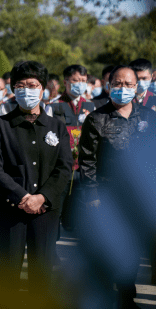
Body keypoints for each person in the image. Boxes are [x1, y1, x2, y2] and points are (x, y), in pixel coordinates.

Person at [0, 60, 73, 297]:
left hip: (45, 212)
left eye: (32, 85)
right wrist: (23, 196)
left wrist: (42, 197)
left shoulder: (57, 126)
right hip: (9, 210)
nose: (26, 90)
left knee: (42, 274)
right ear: (13, 89)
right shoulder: (0, 126)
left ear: (43, 89)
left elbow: (64, 168)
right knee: (8, 274)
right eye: (20, 85)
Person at [78, 65, 154, 309]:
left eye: (128, 84)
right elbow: (86, 161)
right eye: (117, 84)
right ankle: (97, 303)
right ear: (109, 86)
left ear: (137, 87)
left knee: (131, 255)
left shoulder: (149, 118)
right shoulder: (96, 119)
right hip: (105, 197)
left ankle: (126, 303)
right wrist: (91, 195)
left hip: (139, 197)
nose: (123, 89)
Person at [48, 65, 95, 232]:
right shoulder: (53, 106)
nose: (80, 84)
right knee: (55, 211)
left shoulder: (90, 106)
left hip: (81, 168)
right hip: (59, 167)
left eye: (83, 81)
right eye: (75, 80)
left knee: (77, 214)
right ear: (65, 81)